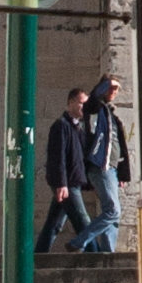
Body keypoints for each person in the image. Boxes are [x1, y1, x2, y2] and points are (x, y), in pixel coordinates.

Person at [34, 86, 96, 254]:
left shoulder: (78, 130)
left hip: (71, 182)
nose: (85, 108)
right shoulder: (61, 126)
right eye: (82, 104)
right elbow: (57, 157)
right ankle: (95, 256)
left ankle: (39, 256)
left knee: (54, 223)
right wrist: (61, 184)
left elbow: (80, 160)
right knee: (83, 222)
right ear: (71, 103)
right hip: (67, 183)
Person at [74, 74, 131, 250]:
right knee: (112, 211)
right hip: (101, 167)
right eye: (111, 87)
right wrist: (105, 84)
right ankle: (79, 241)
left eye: (116, 89)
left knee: (112, 213)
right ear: (103, 87)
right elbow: (90, 102)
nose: (114, 91)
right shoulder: (96, 108)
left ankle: (108, 252)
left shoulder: (110, 113)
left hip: (111, 168)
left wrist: (121, 172)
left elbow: (118, 145)